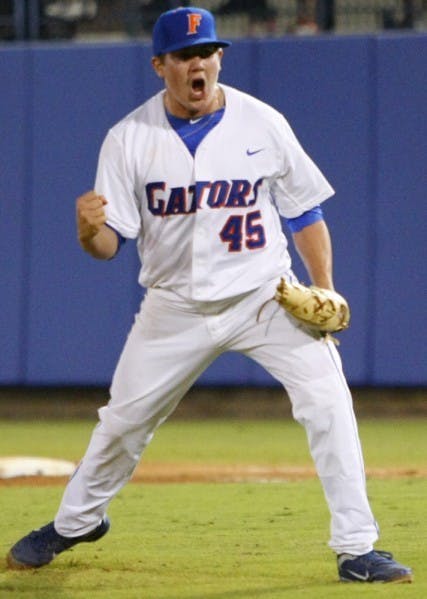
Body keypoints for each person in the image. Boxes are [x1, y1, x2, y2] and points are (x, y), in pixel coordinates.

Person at [7, 6, 413, 584]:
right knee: (122, 422)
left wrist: (323, 287)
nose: (198, 64)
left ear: (220, 57)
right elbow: (107, 246)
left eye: (207, 52)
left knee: (328, 403)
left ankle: (357, 549)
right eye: (184, 56)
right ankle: (78, 520)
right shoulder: (128, 139)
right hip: (175, 308)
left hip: (264, 296)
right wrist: (85, 229)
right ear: (160, 65)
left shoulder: (262, 122)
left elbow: (306, 212)